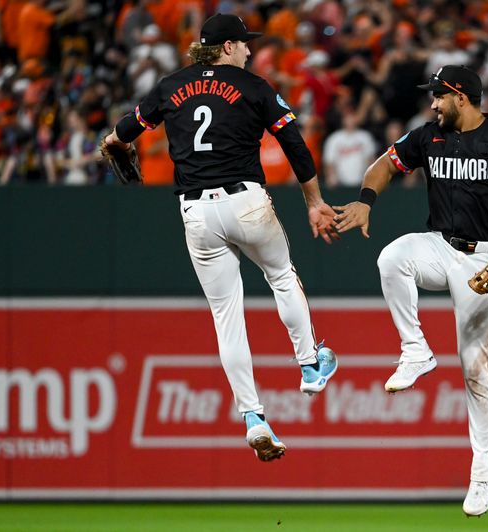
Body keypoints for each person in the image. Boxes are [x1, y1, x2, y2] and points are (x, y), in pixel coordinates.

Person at [103, 14, 339, 462]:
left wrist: (114, 143)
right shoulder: (254, 87)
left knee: (226, 315)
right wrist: (313, 200)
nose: (249, 50)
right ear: (227, 46)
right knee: (282, 277)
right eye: (244, 44)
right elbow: (294, 143)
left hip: (196, 212)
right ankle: (309, 364)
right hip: (246, 200)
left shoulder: (171, 85)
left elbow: (121, 133)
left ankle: (253, 417)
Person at [333, 65, 488, 517]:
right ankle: (415, 350)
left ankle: (482, 470)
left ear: (460, 97)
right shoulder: (429, 136)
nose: (432, 104)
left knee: (475, 367)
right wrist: (366, 202)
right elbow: (384, 164)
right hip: (438, 245)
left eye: (438, 97)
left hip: (484, 257)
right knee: (391, 258)